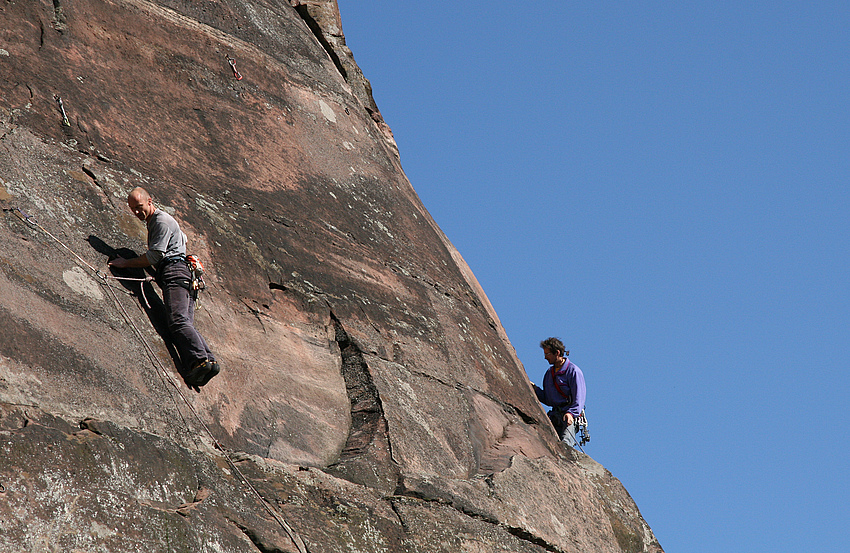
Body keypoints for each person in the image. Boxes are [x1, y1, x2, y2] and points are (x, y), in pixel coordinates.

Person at [109, 187, 219, 389]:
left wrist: (126, 263)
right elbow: (182, 238)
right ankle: (205, 363)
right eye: (133, 209)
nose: (136, 212)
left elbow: (154, 256)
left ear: (150, 201)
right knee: (184, 323)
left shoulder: (160, 221)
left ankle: (202, 359)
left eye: (139, 207)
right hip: (183, 273)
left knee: (177, 321)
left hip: (174, 272)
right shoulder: (160, 222)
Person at [532, 337, 586, 447]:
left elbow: (579, 397)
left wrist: (571, 413)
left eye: (547, 354)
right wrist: (535, 389)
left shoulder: (573, 371)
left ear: (557, 353)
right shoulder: (549, 373)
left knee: (565, 444)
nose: (545, 357)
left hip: (569, 415)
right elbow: (548, 399)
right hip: (555, 416)